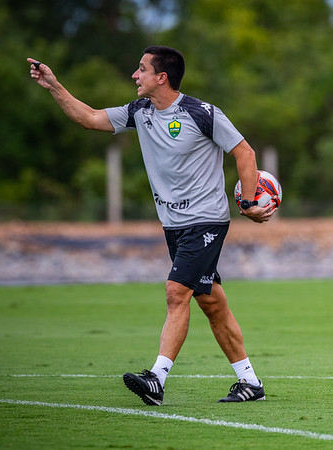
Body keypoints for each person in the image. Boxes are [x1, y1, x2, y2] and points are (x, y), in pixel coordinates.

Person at [27, 46, 275, 405]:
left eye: (141, 69)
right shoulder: (139, 111)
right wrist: (54, 86)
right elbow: (90, 118)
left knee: (177, 292)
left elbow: (245, 152)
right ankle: (249, 383)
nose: (134, 75)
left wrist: (250, 203)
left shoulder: (202, 113)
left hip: (205, 219)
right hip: (173, 225)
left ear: (162, 77)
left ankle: (157, 379)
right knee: (211, 303)